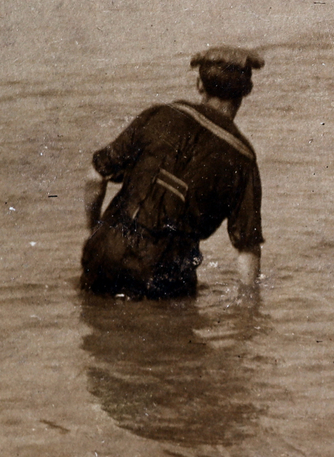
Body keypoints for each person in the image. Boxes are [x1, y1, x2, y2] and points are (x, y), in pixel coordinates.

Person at [80, 46, 264, 299]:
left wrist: (93, 233)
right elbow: (247, 248)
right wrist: (250, 308)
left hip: (105, 254)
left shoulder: (159, 115)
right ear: (247, 90)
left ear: (199, 84)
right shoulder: (242, 158)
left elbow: (95, 177)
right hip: (166, 276)